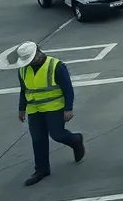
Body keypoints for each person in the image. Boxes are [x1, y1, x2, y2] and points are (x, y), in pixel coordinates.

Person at [9, 42, 85, 186]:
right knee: (37, 139)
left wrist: (68, 108)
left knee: (57, 135)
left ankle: (75, 140)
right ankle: (41, 170)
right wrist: (21, 108)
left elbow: (67, 88)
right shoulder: (23, 70)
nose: (29, 62)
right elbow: (24, 90)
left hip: (54, 107)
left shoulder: (56, 66)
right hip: (34, 109)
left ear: (38, 52)